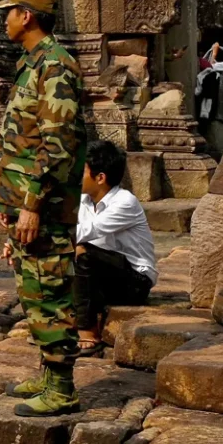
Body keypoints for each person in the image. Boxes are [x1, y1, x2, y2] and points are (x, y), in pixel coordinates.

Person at [0, 0, 86, 418]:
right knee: (32, 289)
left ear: (26, 15)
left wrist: (31, 204)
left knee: (50, 290)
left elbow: (57, 143)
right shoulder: (31, 63)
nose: (4, 18)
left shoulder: (56, 65)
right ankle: (47, 373)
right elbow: (21, 139)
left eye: (9, 11)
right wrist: (8, 201)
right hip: (23, 200)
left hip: (43, 206)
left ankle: (62, 389)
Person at [74, 140, 156, 356]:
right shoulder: (83, 200)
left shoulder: (124, 202)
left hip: (135, 281)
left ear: (100, 177)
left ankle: (88, 331)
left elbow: (84, 232)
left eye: (81, 171)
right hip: (103, 274)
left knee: (83, 253)